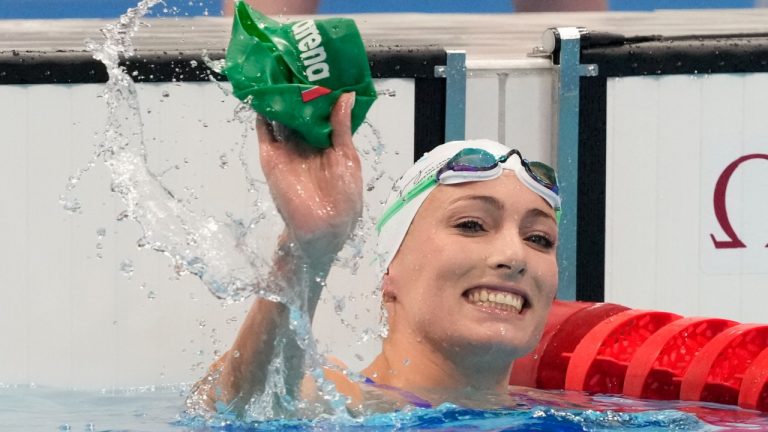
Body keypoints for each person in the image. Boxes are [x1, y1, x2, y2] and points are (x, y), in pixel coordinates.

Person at [190, 92, 561, 416]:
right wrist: (305, 251)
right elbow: (241, 409)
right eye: (471, 225)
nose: (515, 256)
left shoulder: (573, 411)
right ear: (390, 270)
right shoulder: (336, 400)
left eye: (539, 238)